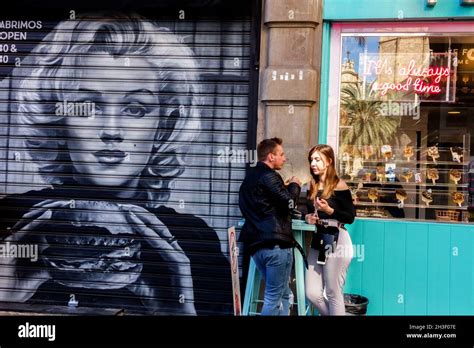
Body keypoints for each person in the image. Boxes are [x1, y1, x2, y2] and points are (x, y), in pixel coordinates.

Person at [0, 13, 232, 315]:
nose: (111, 130)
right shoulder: (13, 221)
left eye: (135, 109)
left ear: (164, 126)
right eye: (87, 107)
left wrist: (179, 307)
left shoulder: (192, 240)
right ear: (57, 121)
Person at [238, 137, 301, 315]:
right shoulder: (269, 176)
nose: (284, 158)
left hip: (257, 247)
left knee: (284, 295)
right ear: (271, 156)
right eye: (281, 154)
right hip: (275, 246)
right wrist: (295, 185)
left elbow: (255, 206)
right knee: (274, 298)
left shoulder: (249, 178)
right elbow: (289, 203)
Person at [304, 144, 355, 315]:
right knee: (311, 292)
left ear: (329, 161)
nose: (313, 163)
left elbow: (350, 217)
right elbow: (304, 211)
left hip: (337, 237)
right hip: (320, 239)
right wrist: (307, 218)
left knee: (333, 291)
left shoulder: (339, 185)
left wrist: (329, 211)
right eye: (311, 159)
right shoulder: (311, 185)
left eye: (317, 159)